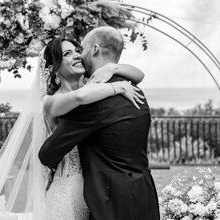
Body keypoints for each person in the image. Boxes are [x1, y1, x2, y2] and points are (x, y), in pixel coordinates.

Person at [39, 26, 160, 220]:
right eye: (68, 53)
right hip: (143, 192)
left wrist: (112, 73)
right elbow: (78, 97)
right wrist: (115, 84)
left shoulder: (94, 100)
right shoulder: (134, 89)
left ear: (94, 49)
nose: (79, 55)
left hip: (111, 198)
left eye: (80, 50)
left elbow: (47, 154)